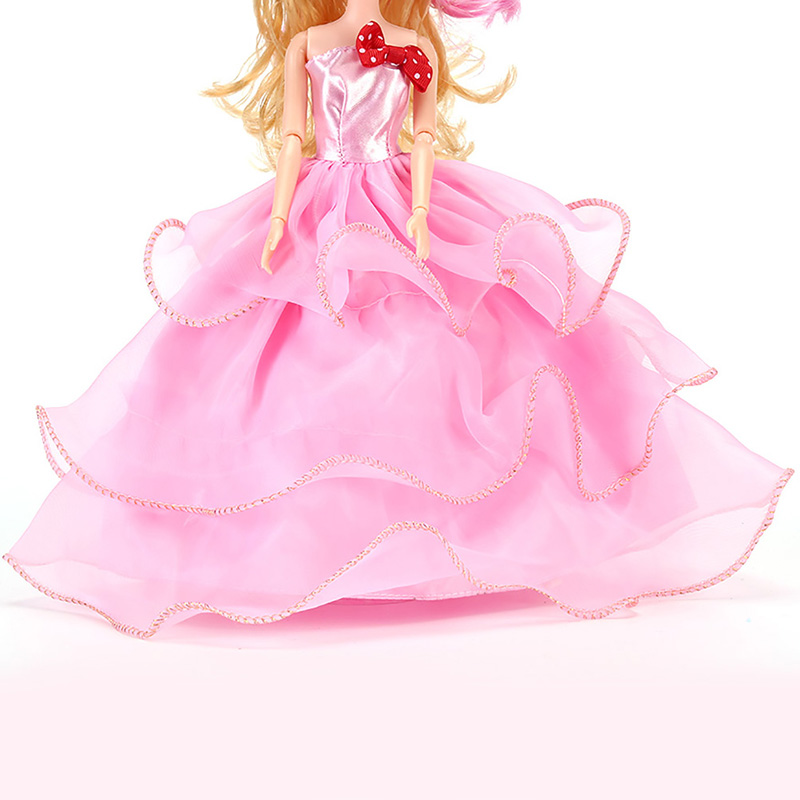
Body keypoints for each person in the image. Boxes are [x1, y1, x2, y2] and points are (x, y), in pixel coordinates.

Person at [3, 0, 794, 639]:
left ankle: (461, 536)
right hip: (321, 201)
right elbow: (292, 138)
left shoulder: (413, 46)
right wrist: (277, 222)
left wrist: (418, 213)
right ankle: (289, 543)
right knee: (292, 345)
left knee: (440, 342)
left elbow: (419, 136)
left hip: (397, 205)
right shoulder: (308, 44)